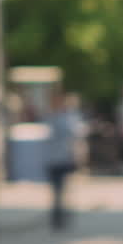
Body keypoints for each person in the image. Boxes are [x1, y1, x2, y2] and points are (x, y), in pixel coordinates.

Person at [45, 92, 87, 231]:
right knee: (59, 190)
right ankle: (60, 215)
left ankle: (59, 215)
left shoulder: (51, 118)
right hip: (59, 159)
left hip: (58, 159)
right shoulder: (64, 119)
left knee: (60, 189)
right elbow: (76, 135)